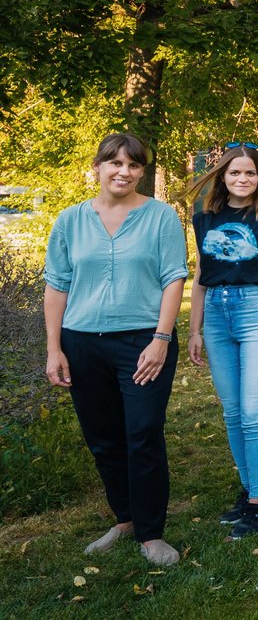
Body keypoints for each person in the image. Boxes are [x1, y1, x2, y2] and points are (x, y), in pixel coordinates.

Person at [43, 133, 187, 565]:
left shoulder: (161, 217)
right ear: (98, 166)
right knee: (103, 438)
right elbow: (56, 285)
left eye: (133, 165)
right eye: (115, 163)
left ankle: (151, 533)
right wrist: (54, 348)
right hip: (82, 342)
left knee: (142, 432)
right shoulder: (69, 221)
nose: (124, 171)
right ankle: (124, 518)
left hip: (144, 341)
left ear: (142, 171)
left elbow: (173, 278)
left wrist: (160, 340)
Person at [187, 143, 258, 539]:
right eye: (235, 173)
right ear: (223, 177)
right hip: (216, 315)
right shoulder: (205, 219)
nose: (242, 179)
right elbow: (200, 278)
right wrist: (195, 329)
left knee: (253, 412)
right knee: (232, 412)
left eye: (250, 172)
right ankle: (249, 488)